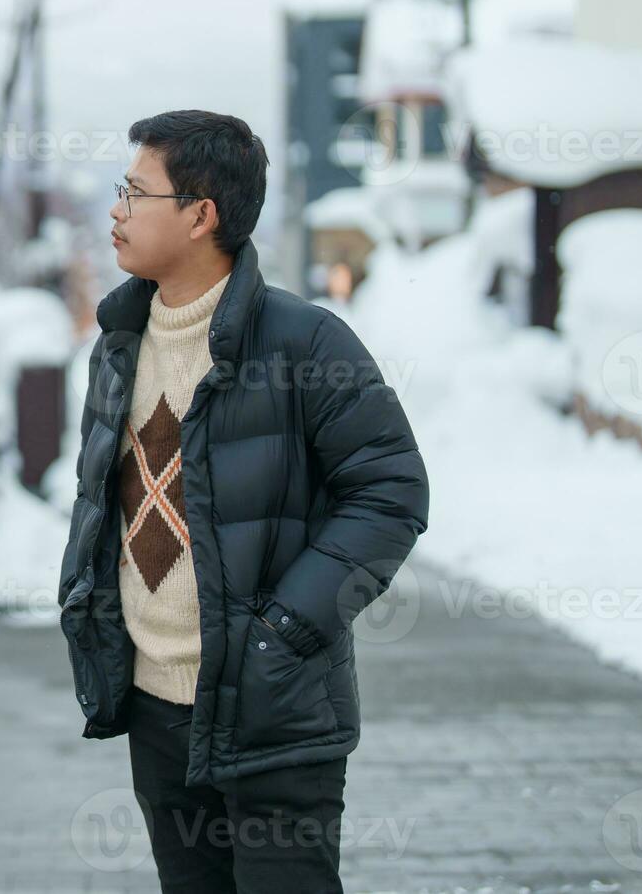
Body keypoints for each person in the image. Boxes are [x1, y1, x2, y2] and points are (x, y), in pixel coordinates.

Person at [58, 111, 429, 892]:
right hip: (157, 707)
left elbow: (391, 491)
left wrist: (286, 628)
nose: (116, 211)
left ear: (201, 215)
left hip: (275, 709)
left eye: (135, 191)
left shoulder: (305, 343)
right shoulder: (120, 340)